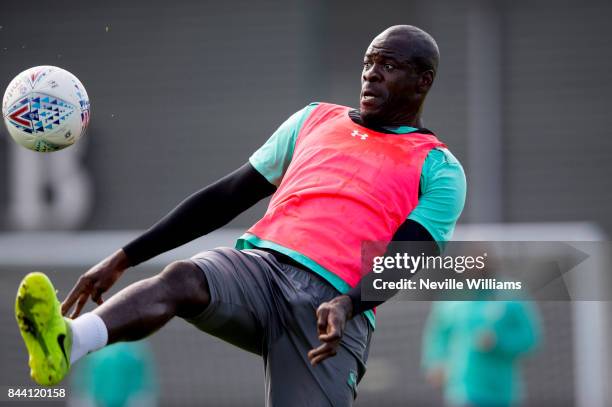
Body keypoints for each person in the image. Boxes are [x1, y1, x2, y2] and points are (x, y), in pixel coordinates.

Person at [15, 25, 466, 406]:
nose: (371, 74)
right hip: (261, 269)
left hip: (332, 311)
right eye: (368, 62)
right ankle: (69, 341)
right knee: (181, 280)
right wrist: (125, 257)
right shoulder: (314, 120)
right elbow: (228, 195)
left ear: (422, 81)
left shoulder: (438, 167)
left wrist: (351, 303)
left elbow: (411, 253)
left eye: (388, 65)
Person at [422, 301, 542, 406]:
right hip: (462, 391)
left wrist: (498, 341)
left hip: (499, 392)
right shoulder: (451, 299)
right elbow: (438, 336)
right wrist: (436, 362)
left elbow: (529, 339)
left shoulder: (509, 296)